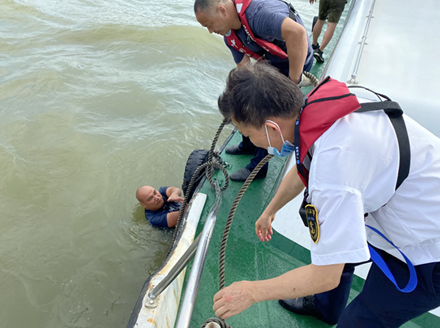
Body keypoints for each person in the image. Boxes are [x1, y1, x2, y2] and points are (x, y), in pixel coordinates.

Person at [212, 62, 440, 326]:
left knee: (363, 319)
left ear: (272, 128)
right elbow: (306, 161)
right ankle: (325, 307)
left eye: (248, 135)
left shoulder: (333, 173)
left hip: (428, 249)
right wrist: (271, 209)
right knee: (336, 243)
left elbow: (325, 276)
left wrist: (251, 292)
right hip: (417, 197)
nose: (251, 142)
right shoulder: (329, 102)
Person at [194, 0, 314, 182]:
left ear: (221, 10)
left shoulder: (257, 15)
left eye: (209, 24)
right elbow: (245, 70)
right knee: (243, 100)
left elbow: (297, 33)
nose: (210, 31)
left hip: (296, 59)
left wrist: (294, 81)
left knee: (261, 111)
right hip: (272, 64)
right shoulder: (230, 36)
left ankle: (259, 167)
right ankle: (248, 143)